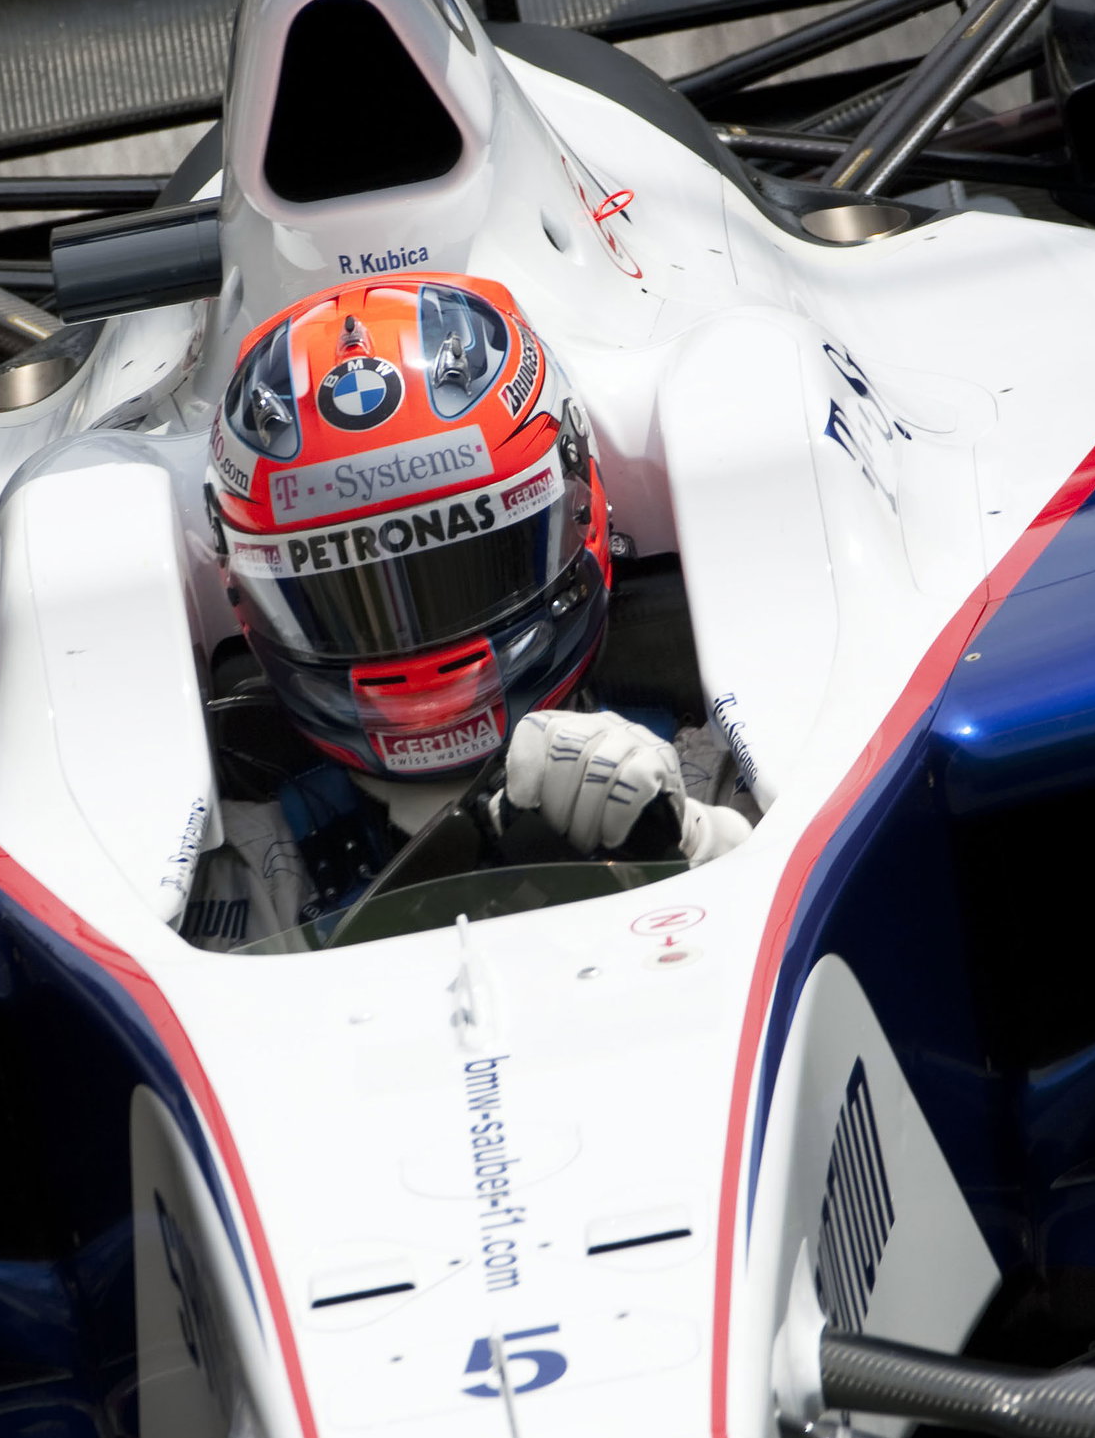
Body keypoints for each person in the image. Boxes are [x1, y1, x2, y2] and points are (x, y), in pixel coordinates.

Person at [183, 272, 751, 950]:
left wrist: (697, 842)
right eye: (346, 597)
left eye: (464, 573)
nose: (420, 659)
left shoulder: (707, 776)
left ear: (579, 504)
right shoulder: (253, 875)